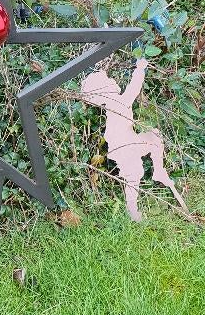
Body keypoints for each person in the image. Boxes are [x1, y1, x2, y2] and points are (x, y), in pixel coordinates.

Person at [80, 58, 188, 221]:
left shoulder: (113, 104)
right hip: (124, 146)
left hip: (128, 141)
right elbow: (133, 89)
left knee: (152, 138)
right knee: (134, 174)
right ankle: (132, 209)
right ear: (105, 90)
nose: (113, 81)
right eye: (109, 82)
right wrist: (140, 69)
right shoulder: (118, 103)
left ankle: (158, 172)